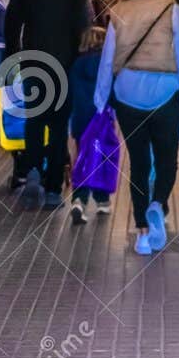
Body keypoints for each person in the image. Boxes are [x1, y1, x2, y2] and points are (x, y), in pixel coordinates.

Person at [94, 0, 179, 254]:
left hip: (126, 93)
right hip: (164, 92)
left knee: (139, 164)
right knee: (167, 159)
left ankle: (142, 233)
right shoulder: (172, 10)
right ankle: (158, 204)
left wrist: (100, 100)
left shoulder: (118, 10)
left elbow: (107, 60)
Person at [3, 0, 90, 210]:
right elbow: (82, 26)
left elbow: (13, 20)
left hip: (34, 60)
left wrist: (14, 55)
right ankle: (53, 187)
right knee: (58, 125)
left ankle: (31, 173)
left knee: (35, 118)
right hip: (64, 62)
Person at [68, 23, 112, 224]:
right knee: (102, 158)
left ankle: (84, 199)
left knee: (83, 159)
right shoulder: (106, 67)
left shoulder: (76, 65)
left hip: (80, 120)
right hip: (101, 120)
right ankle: (95, 200)